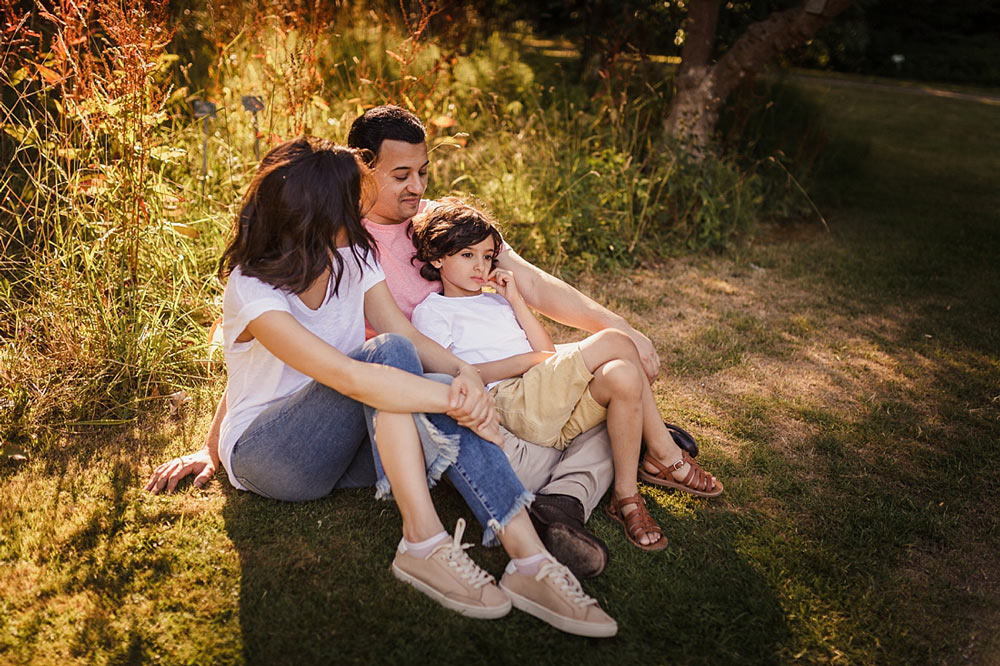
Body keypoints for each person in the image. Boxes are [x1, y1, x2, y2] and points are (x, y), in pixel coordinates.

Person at [147, 136, 617, 637]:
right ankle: (423, 543)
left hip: (346, 443)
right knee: (391, 359)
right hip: (271, 457)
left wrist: (466, 377)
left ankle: (531, 564)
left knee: (406, 356)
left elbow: (409, 335)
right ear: (322, 211)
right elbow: (347, 375)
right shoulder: (253, 286)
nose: (367, 205)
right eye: (355, 197)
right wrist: (453, 397)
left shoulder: (355, 257)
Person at [410, 199, 723, 551]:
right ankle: (661, 452)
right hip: (510, 400)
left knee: (622, 374)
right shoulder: (433, 312)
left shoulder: (496, 301)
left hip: (541, 396)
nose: (480, 266)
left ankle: (625, 497)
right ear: (437, 259)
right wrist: (525, 361)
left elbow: (543, 346)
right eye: (467, 255)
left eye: (486, 256)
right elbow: (459, 374)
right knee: (616, 340)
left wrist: (515, 300)